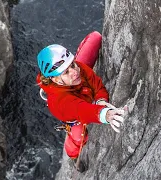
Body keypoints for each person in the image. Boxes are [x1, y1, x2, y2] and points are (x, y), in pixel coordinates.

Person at [36, 44, 126, 172]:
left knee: (95, 39)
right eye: (66, 72)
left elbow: (96, 83)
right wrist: (105, 114)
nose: (74, 72)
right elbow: (81, 110)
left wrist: (101, 100)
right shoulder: (60, 102)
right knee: (78, 138)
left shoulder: (78, 68)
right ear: (55, 80)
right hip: (75, 114)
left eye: (72, 65)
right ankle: (73, 156)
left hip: (80, 92)